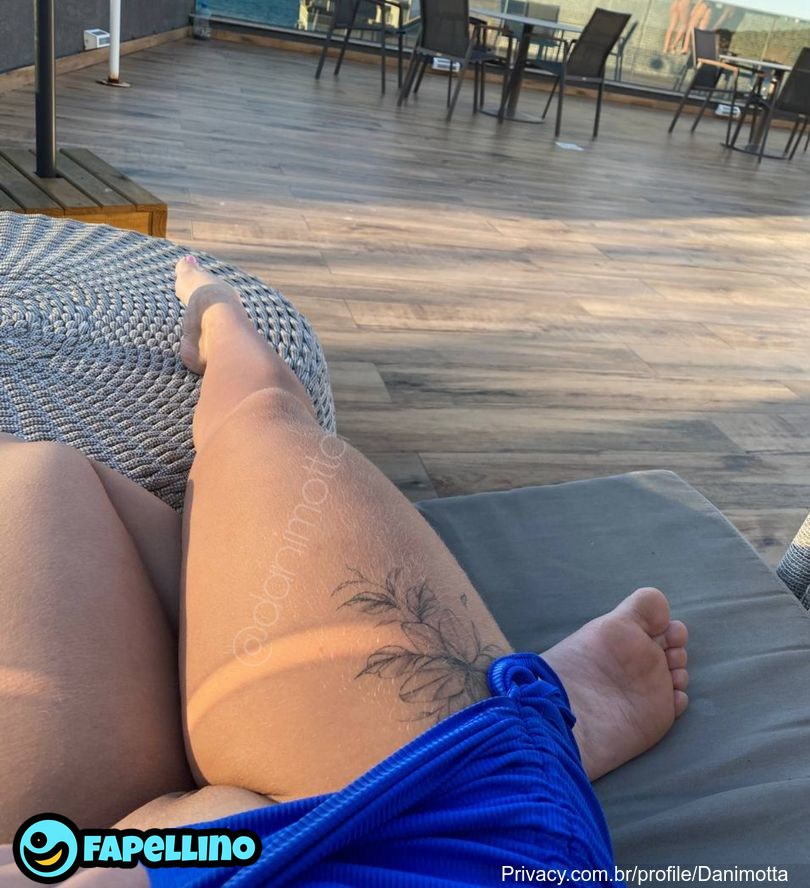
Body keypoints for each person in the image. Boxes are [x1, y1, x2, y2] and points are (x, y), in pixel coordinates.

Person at [0, 258, 689, 885]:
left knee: (46, 481)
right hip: (438, 850)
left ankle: (518, 747)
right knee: (257, 422)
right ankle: (224, 329)